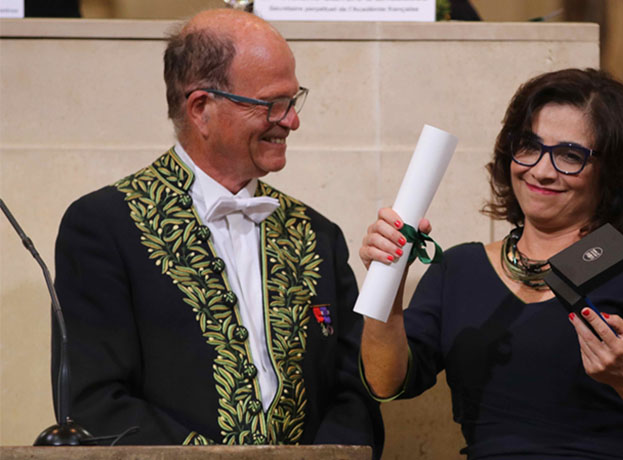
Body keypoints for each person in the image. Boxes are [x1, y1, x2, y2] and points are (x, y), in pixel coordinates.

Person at [53, 9, 382, 453]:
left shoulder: (318, 235)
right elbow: (94, 402)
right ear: (202, 109)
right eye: (271, 104)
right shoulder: (103, 227)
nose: (291, 120)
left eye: (292, 100)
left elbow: (355, 390)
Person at [359, 68, 623, 459]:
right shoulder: (460, 268)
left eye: (570, 155)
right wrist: (389, 280)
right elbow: (387, 383)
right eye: (529, 146)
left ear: (612, 171)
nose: (542, 171)